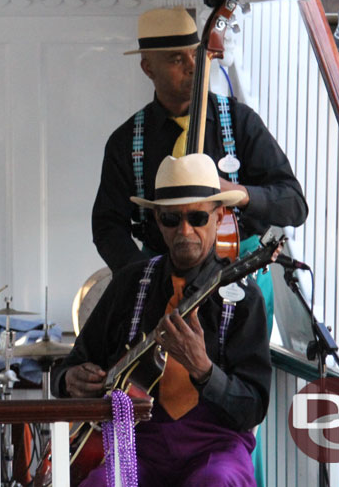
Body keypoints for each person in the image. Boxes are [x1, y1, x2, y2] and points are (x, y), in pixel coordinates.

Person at [54, 154, 272, 486]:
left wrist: (203, 369)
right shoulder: (130, 283)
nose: (185, 231)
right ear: (157, 220)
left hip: (215, 444)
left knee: (218, 481)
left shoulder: (244, 298)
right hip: (136, 442)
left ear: (219, 217)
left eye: (198, 217)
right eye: (172, 218)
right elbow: (69, 365)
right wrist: (70, 379)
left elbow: (252, 409)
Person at [92, 6, 307, 273]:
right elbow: (107, 226)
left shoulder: (240, 121)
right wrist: (146, 277)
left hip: (240, 271)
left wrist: (238, 193)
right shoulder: (126, 141)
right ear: (148, 68)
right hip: (161, 271)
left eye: (195, 54)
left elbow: (294, 205)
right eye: (176, 60)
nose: (193, 67)